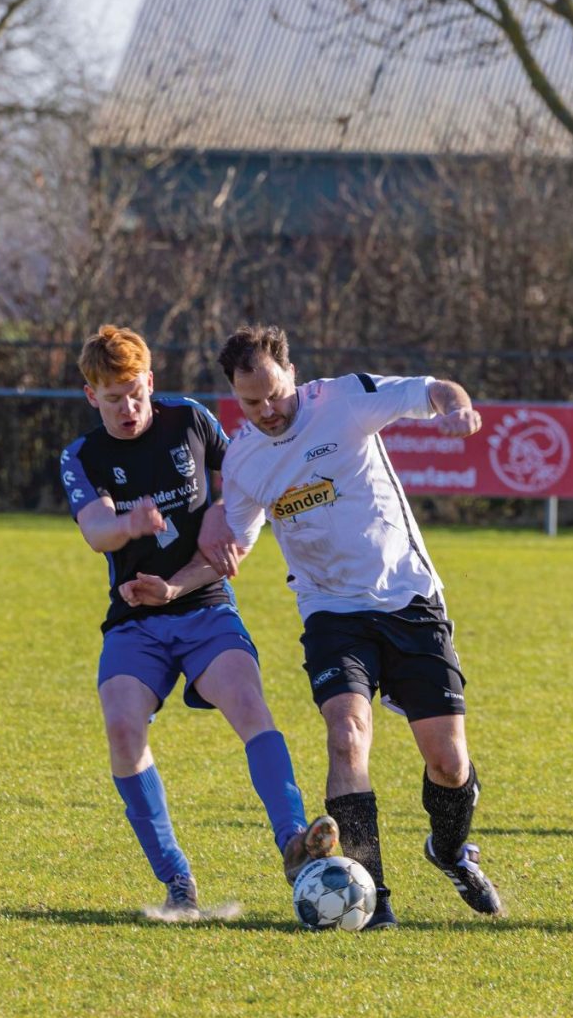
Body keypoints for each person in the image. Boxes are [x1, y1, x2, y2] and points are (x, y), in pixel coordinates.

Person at [199, 324, 502, 928]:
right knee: (346, 734)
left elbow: (435, 388)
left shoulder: (343, 399)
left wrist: (458, 408)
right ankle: (374, 897)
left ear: (293, 375)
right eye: (251, 402)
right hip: (331, 613)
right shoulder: (245, 457)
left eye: (275, 395)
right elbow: (237, 536)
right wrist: (211, 535)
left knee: (447, 762)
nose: (267, 411)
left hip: (409, 598)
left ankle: (448, 850)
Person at [59, 324, 338, 922]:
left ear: (151, 383)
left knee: (248, 703)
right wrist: (129, 525)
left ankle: (294, 842)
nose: (128, 408)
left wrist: (218, 512)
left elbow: (241, 475)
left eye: (135, 393)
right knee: (123, 731)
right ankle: (177, 880)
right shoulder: (83, 456)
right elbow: (94, 530)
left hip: (206, 603)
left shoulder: (186, 417)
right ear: (91, 397)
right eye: (112, 399)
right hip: (135, 618)